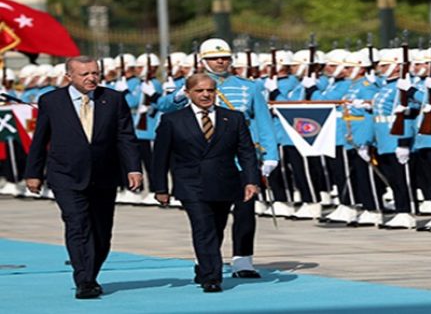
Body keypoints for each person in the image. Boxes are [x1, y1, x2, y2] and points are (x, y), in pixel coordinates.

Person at [24, 55, 142, 299]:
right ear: (69, 77)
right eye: (85, 74)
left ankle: (91, 272)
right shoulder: (51, 101)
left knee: (101, 233)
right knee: (77, 225)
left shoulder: (113, 99)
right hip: (66, 175)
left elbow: (126, 137)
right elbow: (40, 140)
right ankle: (84, 280)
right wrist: (33, 173)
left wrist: (133, 168)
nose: (91, 78)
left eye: (95, 73)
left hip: (104, 174)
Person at [152, 74, 259, 292]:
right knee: (203, 227)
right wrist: (160, 188)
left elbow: (246, 152)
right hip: (191, 183)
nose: (205, 95)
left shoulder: (233, 118)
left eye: (210, 90)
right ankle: (212, 276)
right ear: (188, 93)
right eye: (200, 91)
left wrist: (250, 181)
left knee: (216, 228)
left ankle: (204, 267)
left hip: (225, 182)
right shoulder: (173, 120)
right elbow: (160, 157)